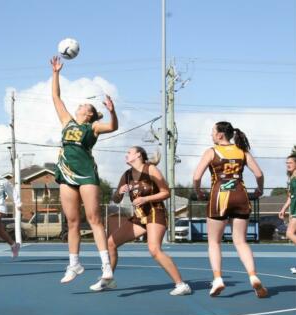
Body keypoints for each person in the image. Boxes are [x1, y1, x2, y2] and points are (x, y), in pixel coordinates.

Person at [50, 56, 118, 284]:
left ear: (89, 114)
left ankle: (106, 266)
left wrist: (112, 111)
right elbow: (56, 97)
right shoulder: (67, 121)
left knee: (94, 219)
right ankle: (74, 264)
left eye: (84, 106)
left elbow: (113, 126)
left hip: (87, 174)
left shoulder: (94, 127)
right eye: (80, 105)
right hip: (67, 175)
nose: (80, 106)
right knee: (72, 222)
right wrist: (56, 73)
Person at [92, 146, 192, 295]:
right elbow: (116, 200)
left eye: (129, 152)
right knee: (110, 243)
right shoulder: (126, 175)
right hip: (139, 216)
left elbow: (166, 192)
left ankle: (181, 285)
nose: (126, 155)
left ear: (138, 155)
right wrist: (119, 192)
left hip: (155, 213)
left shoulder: (150, 169)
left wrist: (146, 198)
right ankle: (108, 280)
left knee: (154, 249)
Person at [193, 121, 267, 298]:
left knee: (214, 242)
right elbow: (259, 174)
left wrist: (198, 191)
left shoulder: (211, 151)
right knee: (241, 241)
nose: (211, 135)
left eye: (212, 132)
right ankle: (253, 275)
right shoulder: (242, 151)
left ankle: (218, 278)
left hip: (219, 197)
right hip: (240, 195)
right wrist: (260, 189)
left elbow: (196, 177)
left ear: (220, 135)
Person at [278, 153, 296, 274]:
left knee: (289, 233)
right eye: (286, 163)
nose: (287, 165)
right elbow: (290, 197)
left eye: (290, 163)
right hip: (294, 209)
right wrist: (283, 209)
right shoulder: (290, 179)